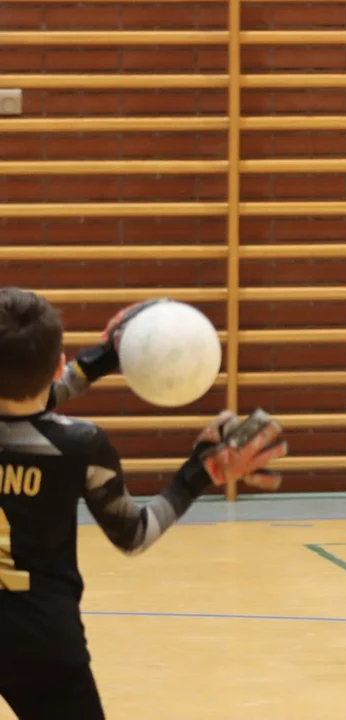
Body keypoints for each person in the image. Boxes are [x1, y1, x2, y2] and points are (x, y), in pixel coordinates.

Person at [0, 288, 288, 719]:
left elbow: (21, 413)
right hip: (42, 641)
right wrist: (199, 474)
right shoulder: (81, 446)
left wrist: (98, 360)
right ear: (57, 363)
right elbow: (134, 533)